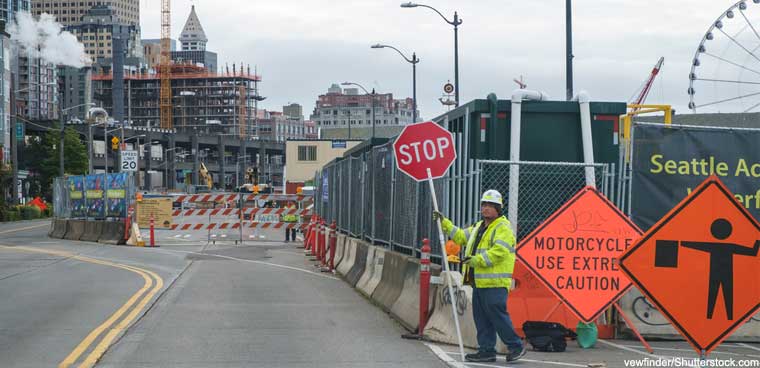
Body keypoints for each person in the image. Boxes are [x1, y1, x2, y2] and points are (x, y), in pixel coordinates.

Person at [433, 189, 525, 363]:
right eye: (484, 205)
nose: (486, 208)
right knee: (481, 319)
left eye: (491, 205)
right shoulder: (478, 227)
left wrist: (477, 261)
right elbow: (460, 236)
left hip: (495, 282)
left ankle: (516, 346)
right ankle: (486, 350)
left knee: (498, 316)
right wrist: (444, 222)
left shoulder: (503, 228)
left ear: (498, 209)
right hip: (480, 282)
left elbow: (499, 252)